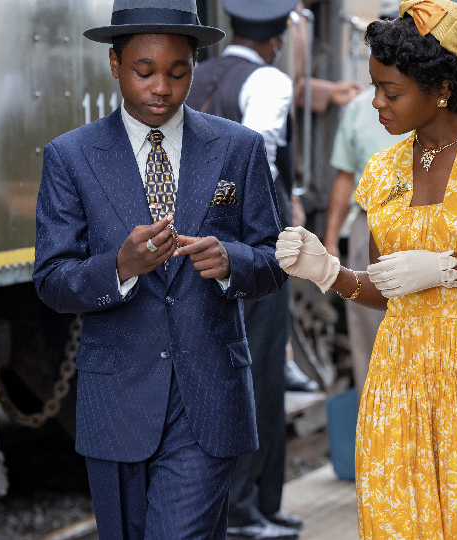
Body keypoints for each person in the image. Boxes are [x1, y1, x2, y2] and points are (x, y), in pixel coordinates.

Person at [274, 0, 457, 537]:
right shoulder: (383, 170)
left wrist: (450, 269)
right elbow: (387, 289)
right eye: (374, 87)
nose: (376, 104)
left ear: (441, 87)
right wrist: (327, 273)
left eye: (391, 92)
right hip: (401, 381)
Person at [31, 0, 286, 538]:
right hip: (116, 404)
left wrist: (231, 262)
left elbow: (273, 259)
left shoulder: (237, 148)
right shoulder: (70, 157)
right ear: (115, 65)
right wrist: (120, 267)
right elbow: (52, 280)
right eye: (144, 72)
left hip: (209, 402)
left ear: (195, 65)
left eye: (178, 73)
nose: (161, 90)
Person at [186, 1, 304, 538]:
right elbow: (258, 157)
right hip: (254, 248)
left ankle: (260, 503)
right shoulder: (271, 81)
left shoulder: (194, 74)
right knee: (258, 373)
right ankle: (244, 510)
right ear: (277, 37)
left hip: (192, 246)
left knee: (219, 373)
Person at [323, 5, 404, 396]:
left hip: (427, 229)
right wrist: (330, 239)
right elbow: (344, 177)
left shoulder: (445, 109)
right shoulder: (359, 108)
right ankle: (375, 430)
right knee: (368, 334)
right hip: (368, 226)